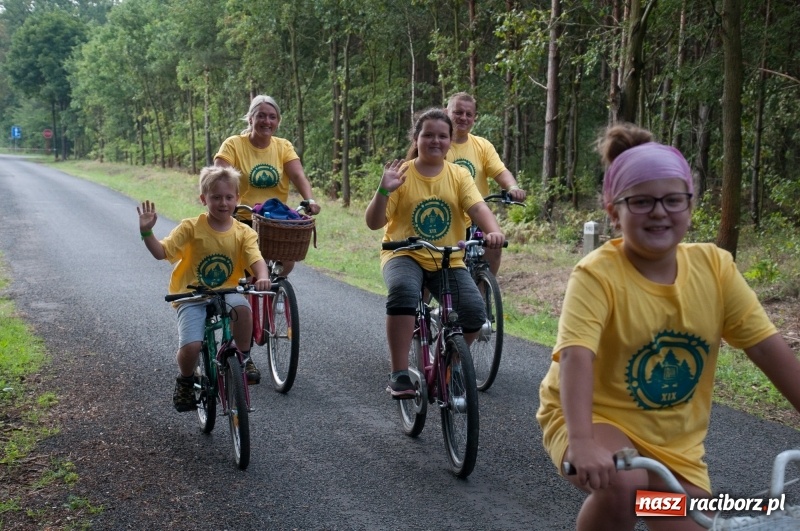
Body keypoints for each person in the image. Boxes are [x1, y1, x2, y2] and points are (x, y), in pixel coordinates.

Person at [536, 123, 800, 531]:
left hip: (674, 446)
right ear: (614, 211)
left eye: (673, 200)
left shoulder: (715, 268)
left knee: (677, 516)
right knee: (624, 486)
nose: (659, 212)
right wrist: (583, 441)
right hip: (591, 419)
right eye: (641, 201)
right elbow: (576, 355)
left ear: (690, 206)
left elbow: (767, 349)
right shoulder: (597, 274)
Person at [365, 108, 506, 398]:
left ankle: (452, 365)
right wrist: (383, 190)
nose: (435, 141)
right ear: (416, 138)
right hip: (403, 254)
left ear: (451, 141)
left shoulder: (458, 174)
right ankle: (400, 373)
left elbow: (478, 208)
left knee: (473, 312)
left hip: (447, 258)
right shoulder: (402, 174)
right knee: (403, 291)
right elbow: (374, 222)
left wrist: (493, 231)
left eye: (442, 136)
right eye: (428, 134)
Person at [138, 166, 271, 409]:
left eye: (229, 197)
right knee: (192, 346)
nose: (223, 203)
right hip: (191, 294)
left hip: (227, 291)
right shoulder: (191, 228)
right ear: (203, 199)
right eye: (216, 197)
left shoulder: (243, 232)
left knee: (243, 311)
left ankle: (244, 358)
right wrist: (147, 231)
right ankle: (186, 380)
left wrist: (262, 275)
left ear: (238, 199)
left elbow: (256, 259)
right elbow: (161, 252)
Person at [214, 94, 321, 276]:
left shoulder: (283, 146)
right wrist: (222, 203)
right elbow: (219, 177)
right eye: (261, 116)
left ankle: (276, 295)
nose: (267, 121)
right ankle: (244, 299)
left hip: (275, 218)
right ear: (251, 119)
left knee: (286, 261)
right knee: (247, 271)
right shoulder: (233, 145)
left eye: (272, 117)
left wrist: (309, 200)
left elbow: (297, 175)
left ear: (278, 121)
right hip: (242, 215)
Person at [445, 92, 525, 276]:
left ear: (474, 118)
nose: (463, 118)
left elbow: (500, 171)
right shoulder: (439, 143)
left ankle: (482, 298)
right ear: (446, 112)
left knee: (494, 245)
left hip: (475, 216)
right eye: (458, 112)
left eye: (468, 114)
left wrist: (512, 188)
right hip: (447, 216)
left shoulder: (482, 146)